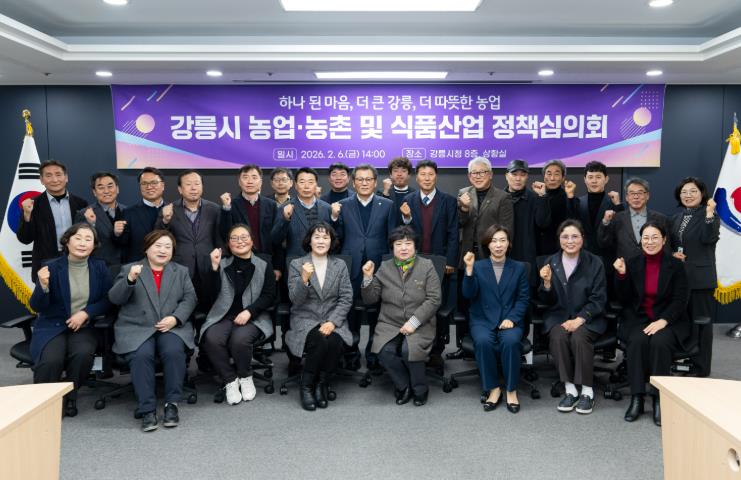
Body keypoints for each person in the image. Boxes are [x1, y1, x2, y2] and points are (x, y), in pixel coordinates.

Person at [109, 230, 197, 432]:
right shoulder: (130, 269)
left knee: (173, 351)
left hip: (171, 326)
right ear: (147, 248)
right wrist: (130, 280)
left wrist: (175, 318)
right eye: (158, 246)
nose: (162, 250)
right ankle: (147, 409)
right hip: (137, 327)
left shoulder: (180, 271)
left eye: (167, 246)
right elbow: (115, 299)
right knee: (142, 355)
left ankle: (172, 404)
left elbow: (190, 298)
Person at [29, 223, 112, 417]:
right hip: (53, 325)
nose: (83, 243)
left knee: (82, 355)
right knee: (51, 360)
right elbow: (37, 306)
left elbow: (108, 299)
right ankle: (42, 404)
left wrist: (87, 313)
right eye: (78, 238)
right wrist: (43, 286)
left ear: (94, 245)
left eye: (88, 239)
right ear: (67, 241)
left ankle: (69, 397)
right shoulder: (51, 267)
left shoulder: (99, 267)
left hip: (84, 326)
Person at [614, 222, 690, 426]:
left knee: (659, 342)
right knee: (637, 341)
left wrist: (663, 321)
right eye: (645, 238)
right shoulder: (632, 263)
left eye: (655, 237)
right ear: (641, 241)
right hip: (639, 318)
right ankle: (637, 397)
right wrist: (621, 275)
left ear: (664, 240)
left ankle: (658, 398)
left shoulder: (676, 265)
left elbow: (680, 300)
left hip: (668, 319)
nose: (650, 242)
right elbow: (623, 298)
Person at [361, 226, 441, 406]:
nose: (403, 248)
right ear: (392, 247)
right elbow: (370, 299)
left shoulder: (426, 266)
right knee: (384, 351)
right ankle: (404, 385)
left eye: (408, 243)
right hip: (390, 322)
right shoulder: (385, 267)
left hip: (420, 322)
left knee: (409, 350)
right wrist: (367, 278)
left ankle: (420, 388)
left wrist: (414, 322)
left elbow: (434, 299)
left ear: (415, 246)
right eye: (398, 244)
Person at [200, 224, 277, 405]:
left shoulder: (264, 263)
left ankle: (245, 376)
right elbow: (207, 296)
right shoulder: (222, 263)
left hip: (254, 317)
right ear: (228, 243)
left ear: (251, 240)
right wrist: (214, 268)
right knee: (211, 338)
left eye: (244, 237)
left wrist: (249, 311)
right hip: (223, 316)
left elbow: (269, 295)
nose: (240, 241)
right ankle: (230, 380)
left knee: (239, 340)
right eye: (234, 238)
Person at [332, 163, 398, 370]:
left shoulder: (387, 205)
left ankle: (373, 354)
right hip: (351, 266)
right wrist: (334, 218)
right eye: (359, 179)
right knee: (350, 311)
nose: (364, 183)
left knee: (377, 312)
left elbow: (392, 238)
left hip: (379, 266)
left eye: (368, 179)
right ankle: (351, 353)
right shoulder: (343, 205)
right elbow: (336, 238)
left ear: (375, 182)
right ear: (353, 182)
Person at [538, 219, 607, 415]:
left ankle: (587, 391)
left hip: (588, 317)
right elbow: (545, 300)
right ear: (559, 239)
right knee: (558, 336)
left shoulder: (595, 262)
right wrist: (547, 283)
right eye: (565, 237)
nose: (570, 241)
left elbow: (599, 298)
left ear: (582, 239)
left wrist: (579, 319)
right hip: (558, 316)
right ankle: (570, 389)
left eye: (575, 236)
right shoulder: (551, 262)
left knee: (579, 337)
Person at [285, 222, 353, 411]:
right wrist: (304, 279)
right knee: (320, 340)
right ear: (309, 240)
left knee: (334, 342)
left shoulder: (339, 265)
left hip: (333, 317)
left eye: (325, 237)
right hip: (305, 319)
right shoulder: (297, 264)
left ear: (331, 241)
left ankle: (321, 384)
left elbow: (346, 298)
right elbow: (295, 299)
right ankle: (306, 385)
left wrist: (333, 322)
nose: (321, 241)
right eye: (317, 237)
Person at [462, 224, 530, 413]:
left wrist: (513, 318)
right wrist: (469, 270)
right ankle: (493, 389)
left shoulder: (519, 268)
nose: (498, 245)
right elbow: (468, 294)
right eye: (494, 241)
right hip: (482, 319)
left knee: (510, 341)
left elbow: (523, 298)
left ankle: (511, 390)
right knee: (483, 341)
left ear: (509, 244)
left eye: (502, 240)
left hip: (510, 319)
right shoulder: (477, 266)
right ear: (487, 244)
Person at [452, 156, 514, 360]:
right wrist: (463, 209)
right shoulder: (463, 193)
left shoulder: (502, 197)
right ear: (469, 176)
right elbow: (458, 224)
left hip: (490, 257)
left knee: (486, 302)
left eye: (482, 172)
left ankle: (488, 344)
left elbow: (506, 230)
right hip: (467, 257)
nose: (477, 176)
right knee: (464, 302)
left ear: (490, 174)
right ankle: (463, 345)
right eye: (474, 173)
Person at [669, 177, 719, 377]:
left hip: (701, 280)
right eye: (684, 192)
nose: (688, 195)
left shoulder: (709, 215)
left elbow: (708, 238)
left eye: (693, 191)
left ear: (702, 193)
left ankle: (701, 368)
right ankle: (686, 359)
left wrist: (709, 213)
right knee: (684, 322)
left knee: (702, 324)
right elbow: (672, 244)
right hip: (680, 279)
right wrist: (673, 254)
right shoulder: (676, 217)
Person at [156, 170, 223, 311]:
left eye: (197, 184)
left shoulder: (215, 209)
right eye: (188, 184)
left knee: (208, 307)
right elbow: (157, 238)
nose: (193, 188)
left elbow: (219, 238)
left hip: (208, 265)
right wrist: (165, 221)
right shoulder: (168, 210)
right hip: (180, 266)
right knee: (183, 307)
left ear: (202, 187)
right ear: (180, 189)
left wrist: (219, 262)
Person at [17, 160, 88, 281]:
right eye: (48, 175)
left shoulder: (81, 203)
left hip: (77, 261)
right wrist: (27, 214)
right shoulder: (33, 205)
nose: (54, 180)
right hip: (46, 265)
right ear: (41, 180)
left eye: (58, 174)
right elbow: (25, 239)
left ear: (66, 177)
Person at [219, 164, 281, 281]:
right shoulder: (231, 205)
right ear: (239, 181)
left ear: (261, 182)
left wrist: (277, 266)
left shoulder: (271, 205)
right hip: (239, 261)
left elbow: (277, 238)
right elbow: (225, 234)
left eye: (254, 177)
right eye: (245, 177)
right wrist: (226, 208)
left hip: (266, 259)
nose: (250, 181)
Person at [503, 159, 550, 286]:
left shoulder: (535, 198)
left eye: (522, 175)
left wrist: (542, 197)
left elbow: (543, 223)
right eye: (514, 174)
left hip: (526, 257)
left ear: (527, 177)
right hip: (502, 256)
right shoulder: (499, 198)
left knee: (526, 293)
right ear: (506, 176)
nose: (518, 178)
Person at [598, 177, 670, 260]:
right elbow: (604, 243)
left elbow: (666, 248)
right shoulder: (617, 218)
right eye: (632, 193)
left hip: (653, 265)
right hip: (624, 266)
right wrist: (605, 222)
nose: (636, 197)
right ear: (626, 197)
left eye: (640, 193)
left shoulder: (661, 219)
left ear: (647, 196)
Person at [272, 167, 334, 258]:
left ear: (316, 185)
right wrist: (285, 219)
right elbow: (276, 239)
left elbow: (335, 237)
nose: (306, 186)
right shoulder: (285, 208)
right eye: (302, 182)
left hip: (323, 260)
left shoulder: (327, 208)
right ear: (296, 185)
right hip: (296, 261)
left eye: (310, 182)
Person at [76, 171, 126, 274]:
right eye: (101, 187)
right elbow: (80, 244)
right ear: (94, 192)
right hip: (99, 269)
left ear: (117, 189)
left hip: (126, 269)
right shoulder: (84, 214)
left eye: (110, 186)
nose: (106, 191)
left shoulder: (128, 211)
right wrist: (92, 224)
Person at [113, 167, 165, 263]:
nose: (149, 187)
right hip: (138, 266)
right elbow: (121, 244)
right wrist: (117, 234)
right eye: (144, 183)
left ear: (162, 185)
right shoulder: (128, 213)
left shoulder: (174, 210)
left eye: (154, 183)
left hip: (168, 267)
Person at [535, 159, 577, 256]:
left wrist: (570, 197)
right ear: (544, 177)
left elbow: (573, 222)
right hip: (540, 252)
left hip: (562, 250)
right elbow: (541, 223)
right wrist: (542, 197)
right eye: (549, 174)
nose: (552, 178)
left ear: (563, 178)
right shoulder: (537, 197)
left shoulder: (568, 197)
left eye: (556, 174)